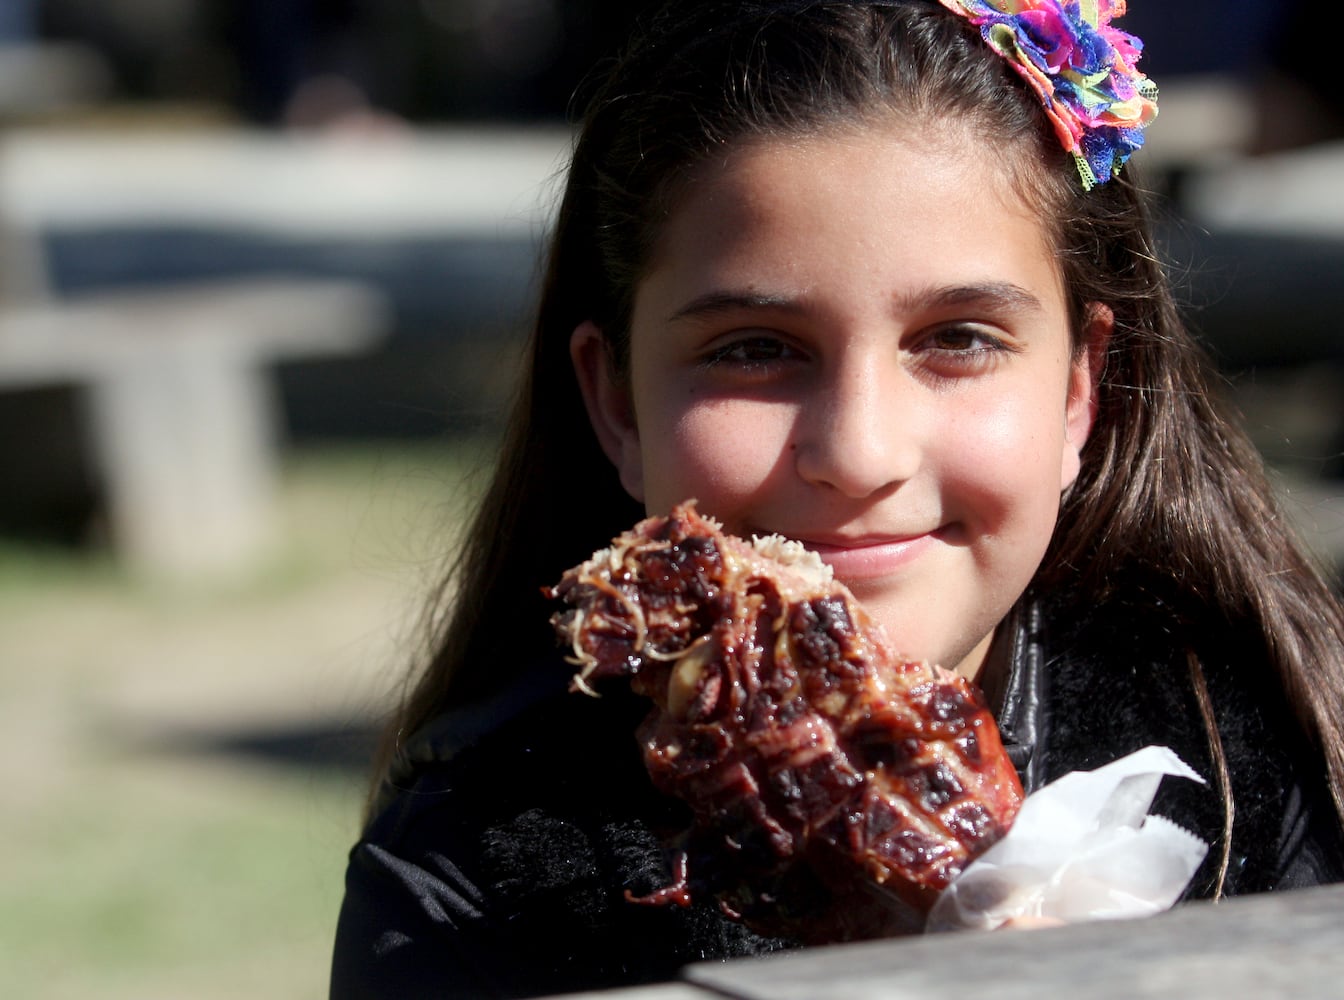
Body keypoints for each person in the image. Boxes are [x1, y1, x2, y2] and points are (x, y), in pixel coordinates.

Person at [330, 2, 1344, 997]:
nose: (860, 454)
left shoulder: (1262, 754)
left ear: (1079, 394)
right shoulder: (479, 868)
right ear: (617, 403)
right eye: (756, 350)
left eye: (959, 339)